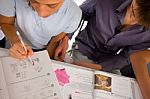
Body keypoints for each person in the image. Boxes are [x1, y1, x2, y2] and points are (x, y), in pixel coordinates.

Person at [54, 0, 150, 72]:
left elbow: (126, 56)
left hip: (109, 62)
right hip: (84, 50)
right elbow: (79, 14)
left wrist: (100, 67)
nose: (132, 21)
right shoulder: (106, 2)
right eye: (133, 13)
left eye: (141, 22)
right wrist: (66, 38)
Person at [0, 0, 82, 59]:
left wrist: (47, 59)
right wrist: (15, 41)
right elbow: (6, 23)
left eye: (52, 5)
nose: (41, 13)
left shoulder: (73, 14)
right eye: (33, 1)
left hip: (46, 48)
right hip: (16, 43)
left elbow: (54, 41)